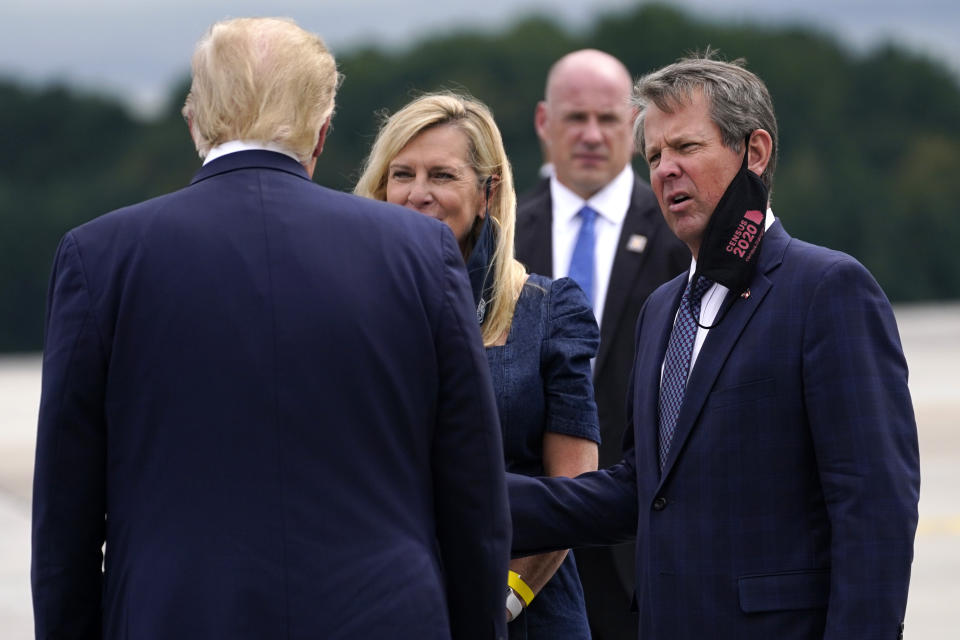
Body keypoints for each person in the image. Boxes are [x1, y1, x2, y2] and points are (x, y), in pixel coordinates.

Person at [31, 18, 511, 640]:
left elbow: (65, 517)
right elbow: (471, 494)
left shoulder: (99, 257)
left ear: (194, 121)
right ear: (322, 129)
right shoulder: (420, 252)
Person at [507, 53, 920, 640]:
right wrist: (475, 494)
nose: (666, 169)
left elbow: (874, 511)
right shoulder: (663, 308)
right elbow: (638, 490)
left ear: (754, 152)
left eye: (686, 148)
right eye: (653, 156)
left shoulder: (828, 289)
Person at [355, 92, 599, 640]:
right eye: (402, 174)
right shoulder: (347, 311)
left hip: (524, 613)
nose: (418, 194)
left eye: (442, 175)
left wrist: (505, 601)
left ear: (488, 191)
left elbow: (575, 492)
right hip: (383, 607)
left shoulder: (548, 309)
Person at [515, 49, 687, 639]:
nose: (591, 135)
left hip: (645, 551)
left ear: (635, 125)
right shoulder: (503, 242)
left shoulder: (680, 238)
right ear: (543, 122)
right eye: (574, 118)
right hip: (528, 550)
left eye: (609, 120)